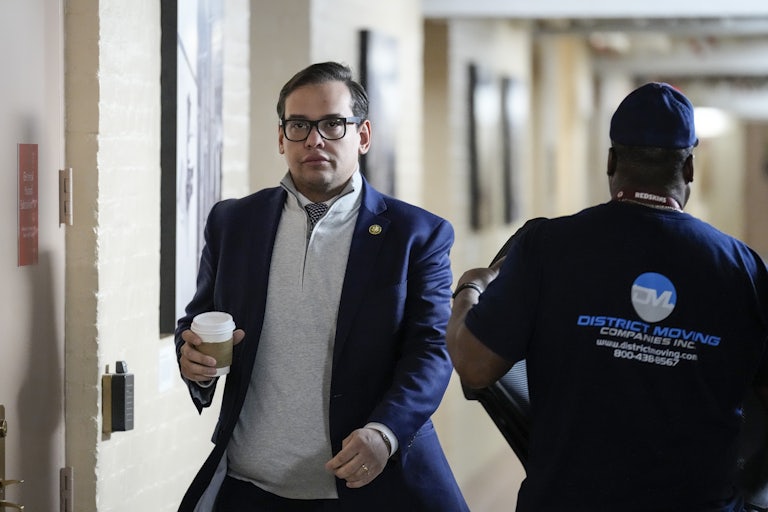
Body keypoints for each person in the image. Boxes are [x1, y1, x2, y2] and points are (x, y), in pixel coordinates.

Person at [446, 82, 768, 511]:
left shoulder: (548, 247)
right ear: (690, 167)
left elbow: (474, 367)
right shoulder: (743, 269)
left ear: (611, 161)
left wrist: (470, 287)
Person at [175, 61, 468, 512]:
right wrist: (190, 354)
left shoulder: (417, 235)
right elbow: (200, 318)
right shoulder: (233, 222)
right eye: (298, 125)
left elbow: (431, 349)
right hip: (251, 484)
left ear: (363, 135)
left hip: (365, 482)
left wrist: (384, 433)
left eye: (333, 124)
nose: (314, 140)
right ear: (281, 138)